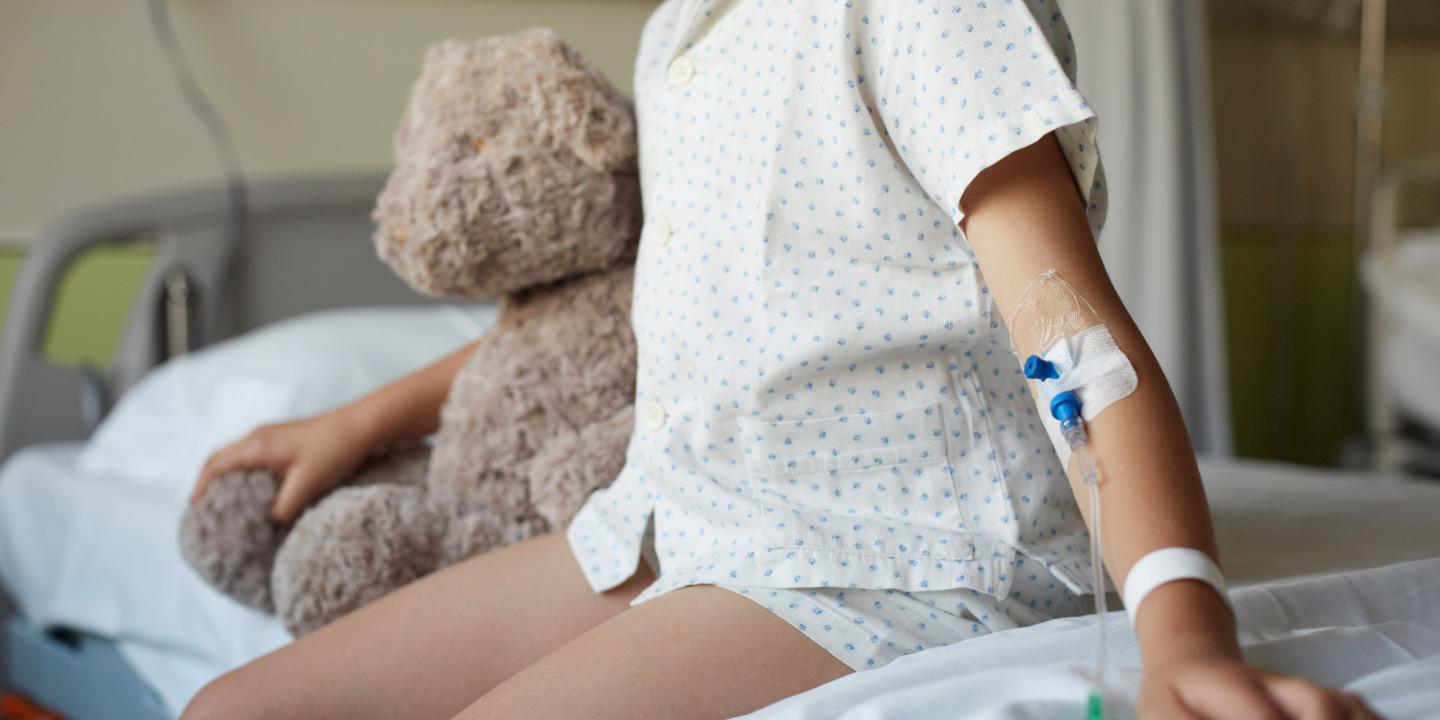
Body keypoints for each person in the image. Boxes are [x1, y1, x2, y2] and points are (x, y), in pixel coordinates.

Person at [181, 1, 1380, 718]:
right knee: (229, 710)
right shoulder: (682, 33)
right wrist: (371, 412)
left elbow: (1073, 342)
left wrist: (1182, 631)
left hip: (884, 556)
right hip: (673, 521)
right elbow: (658, 318)